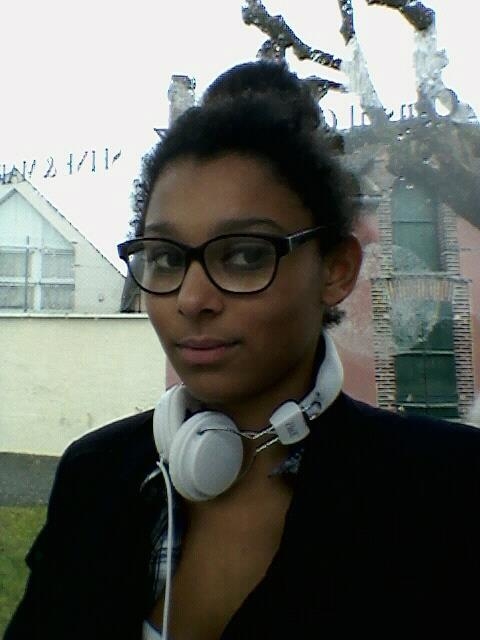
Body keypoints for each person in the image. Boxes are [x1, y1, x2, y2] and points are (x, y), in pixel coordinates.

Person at [5, 59, 480, 640]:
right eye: (166, 257)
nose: (191, 299)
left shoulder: (448, 490)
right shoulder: (95, 477)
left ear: (336, 269)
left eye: (246, 255)